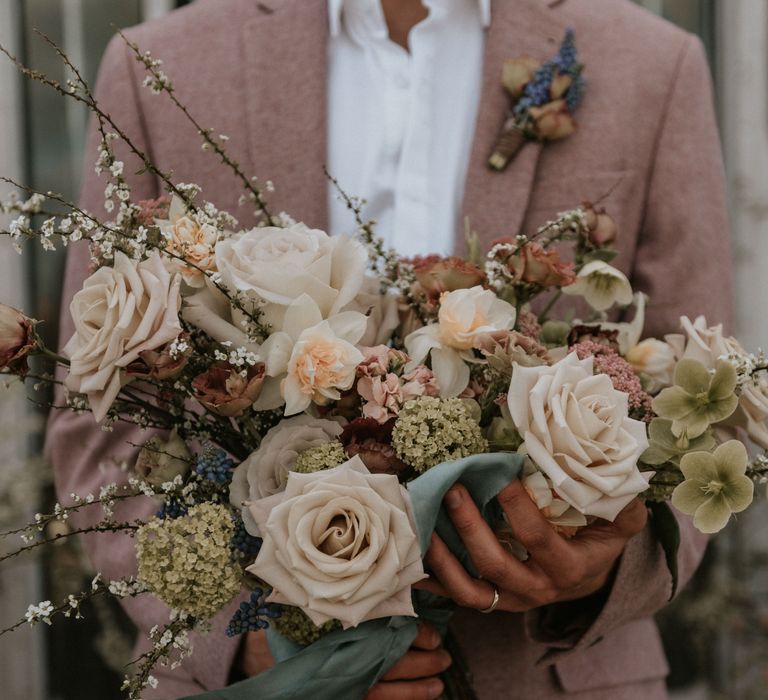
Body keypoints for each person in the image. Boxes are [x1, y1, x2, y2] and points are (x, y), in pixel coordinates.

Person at [46, 0, 734, 698]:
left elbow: (711, 400)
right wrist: (248, 637)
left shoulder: (653, 64)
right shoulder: (159, 65)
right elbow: (98, 421)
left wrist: (605, 568)